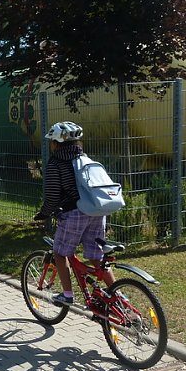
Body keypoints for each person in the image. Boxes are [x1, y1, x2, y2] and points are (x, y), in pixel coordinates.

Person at [33, 121, 115, 305]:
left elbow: (53, 196)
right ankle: (116, 295)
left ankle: (68, 295)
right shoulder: (84, 159)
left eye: (51, 142)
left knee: (59, 253)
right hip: (96, 211)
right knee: (96, 256)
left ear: (56, 143)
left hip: (74, 213)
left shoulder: (55, 163)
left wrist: (44, 213)